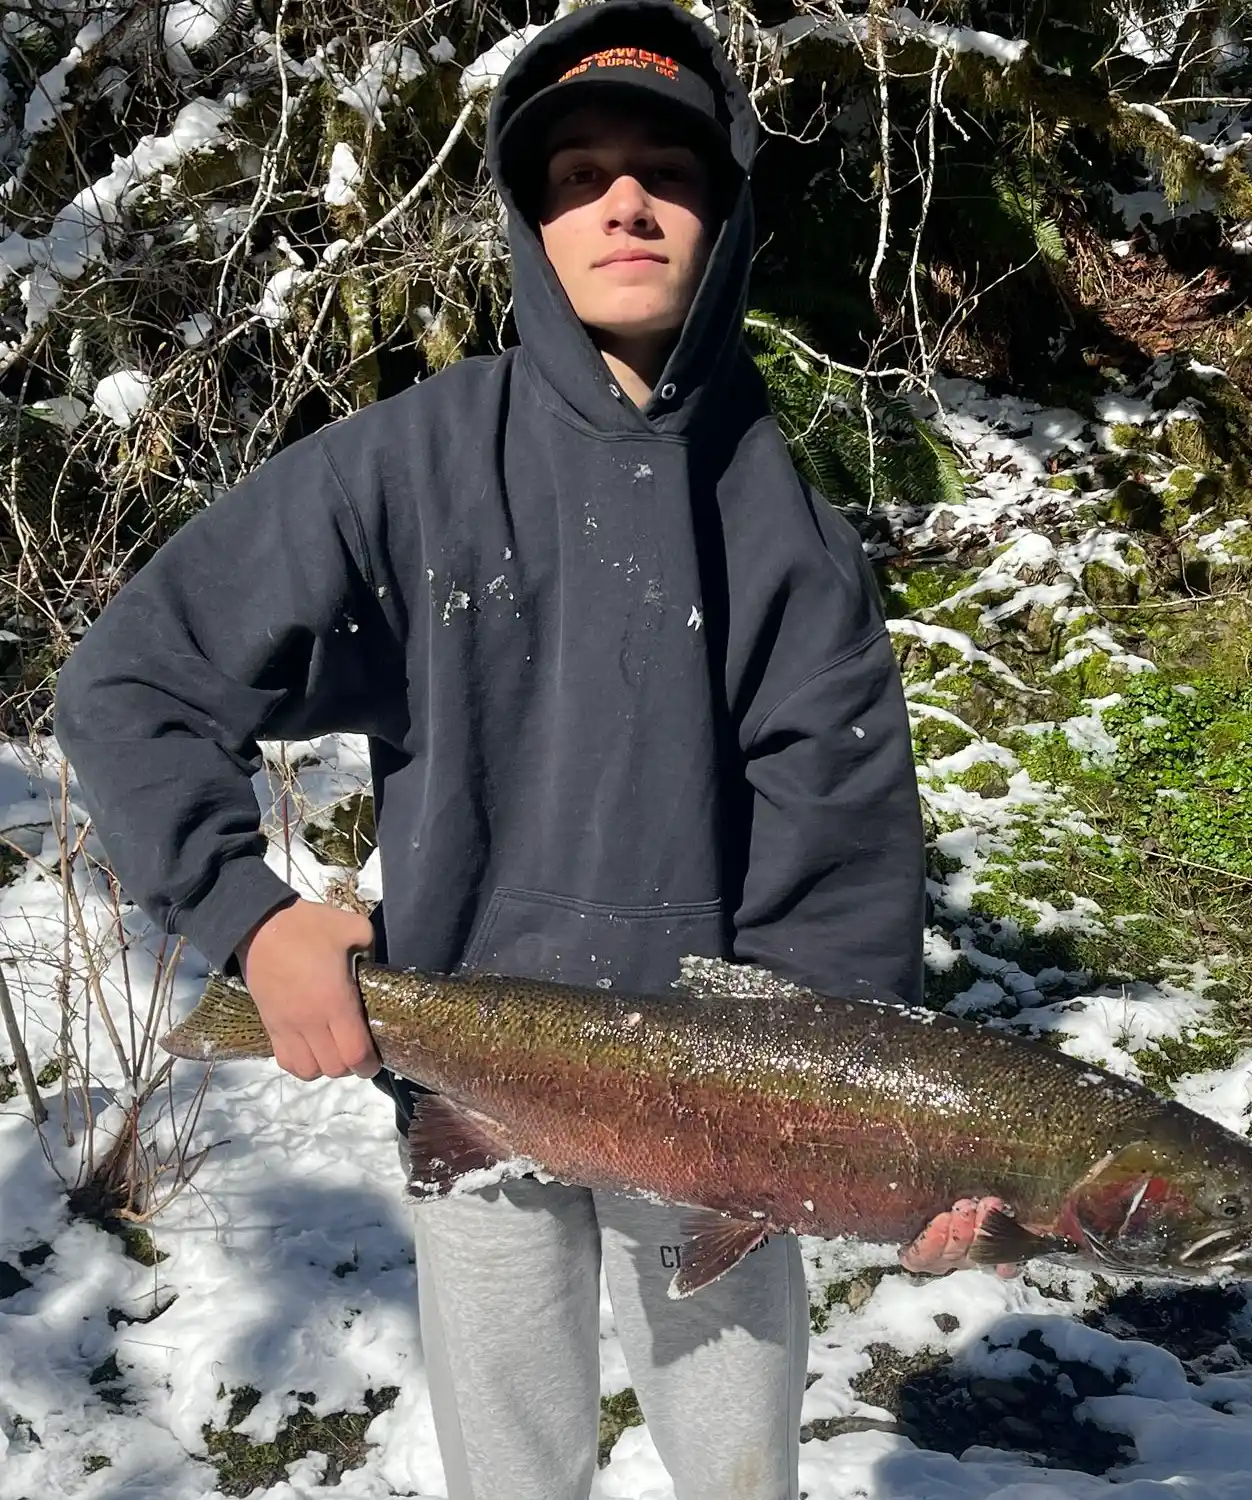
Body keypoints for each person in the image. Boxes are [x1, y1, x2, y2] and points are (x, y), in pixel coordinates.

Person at [54, 2, 996, 1496]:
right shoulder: (411, 464)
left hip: (730, 1099)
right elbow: (131, 683)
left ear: (727, 210)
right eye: (577, 174)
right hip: (473, 1064)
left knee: (742, 1458)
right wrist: (252, 920)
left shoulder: (791, 532)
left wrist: (891, 1149)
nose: (623, 200)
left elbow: (843, 860)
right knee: (511, 1459)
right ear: (528, 220)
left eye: (664, 171)